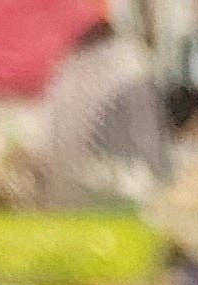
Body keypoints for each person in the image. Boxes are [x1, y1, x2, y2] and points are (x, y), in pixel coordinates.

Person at [32, 14, 170, 201]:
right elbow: (150, 149)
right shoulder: (128, 66)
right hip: (116, 194)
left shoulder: (69, 70)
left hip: (73, 196)